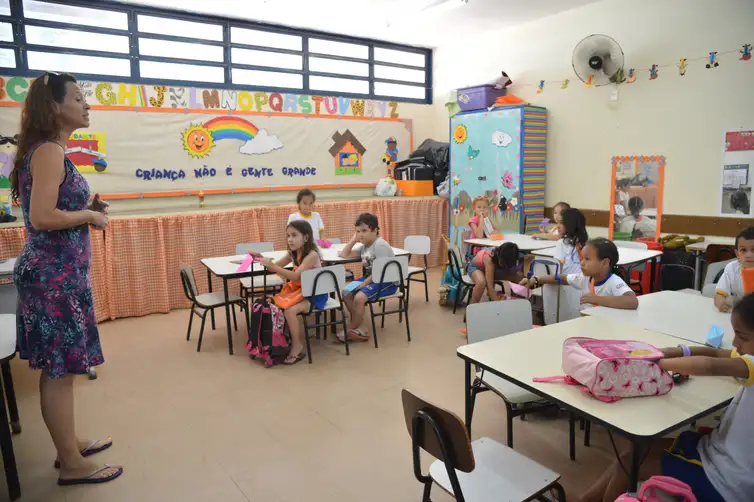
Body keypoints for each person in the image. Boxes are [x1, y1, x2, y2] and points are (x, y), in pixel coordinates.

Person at [9, 72, 122, 486]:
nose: (85, 103)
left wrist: (84, 208)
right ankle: (72, 465)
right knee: (59, 373)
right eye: (77, 97)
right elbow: (42, 218)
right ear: (55, 106)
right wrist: (90, 215)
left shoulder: (50, 151)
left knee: (64, 370)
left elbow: (53, 210)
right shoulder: (49, 152)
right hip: (52, 279)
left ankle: (68, 444)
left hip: (61, 278)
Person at [576, 292, 754, 502]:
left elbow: (709, 365)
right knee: (636, 450)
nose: (735, 343)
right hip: (714, 452)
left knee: (628, 463)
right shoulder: (746, 358)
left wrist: (653, 362)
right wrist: (672, 352)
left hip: (724, 480)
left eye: (742, 337)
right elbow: (715, 354)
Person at [249, 220, 327, 365]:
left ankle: (297, 346)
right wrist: (261, 258)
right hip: (299, 291)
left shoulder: (312, 255)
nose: (290, 239)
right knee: (275, 305)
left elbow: (295, 276)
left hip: (314, 295)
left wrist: (273, 266)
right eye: (288, 236)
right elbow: (275, 267)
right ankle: (280, 341)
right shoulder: (293, 253)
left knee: (290, 311)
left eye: (294, 235)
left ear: (305, 237)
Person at [521, 237, 638, 310]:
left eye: (587, 259)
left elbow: (632, 301)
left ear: (605, 262)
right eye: (582, 258)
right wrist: (535, 280)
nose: (581, 263)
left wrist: (597, 299)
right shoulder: (584, 278)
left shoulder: (613, 282)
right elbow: (560, 278)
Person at [336, 213, 397, 342]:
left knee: (359, 297)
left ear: (375, 230)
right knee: (346, 293)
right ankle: (360, 323)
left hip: (387, 280)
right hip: (371, 277)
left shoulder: (380, 245)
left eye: (364, 231)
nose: (361, 234)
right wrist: (353, 239)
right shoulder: (364, 246)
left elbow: (379, 273)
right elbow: (344, 254)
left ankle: (353, 327)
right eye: (358, 231)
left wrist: (363, 285)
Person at [714, 226, 754, 312]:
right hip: (738, 314)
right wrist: (721, 303)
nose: (748, 255)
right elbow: (719, 295)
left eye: (753, 250)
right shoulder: (731, 269)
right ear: (737, 254)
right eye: (743, 250)